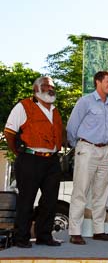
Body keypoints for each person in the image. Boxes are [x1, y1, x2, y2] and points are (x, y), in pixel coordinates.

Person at [4, 76, 63, 248]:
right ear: (36, 89)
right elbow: (9, 132)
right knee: (26, 200)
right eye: (46, 86)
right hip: (30, 158)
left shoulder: (55, 110)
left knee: (50, 201)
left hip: (52, 160)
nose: (50, 88)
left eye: (52, 86)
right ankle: (21, 238)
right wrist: (18, 152)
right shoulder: (24, 106)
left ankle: (44, 236)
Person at [67, 71, 108, 245]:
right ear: (97, 82)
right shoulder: (85, 101)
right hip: (86, 148)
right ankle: (75, 232)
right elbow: (72, 127)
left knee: (102, 191)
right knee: (81, 190)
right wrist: (79, 147)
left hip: (104, 151)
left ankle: (99, 230)